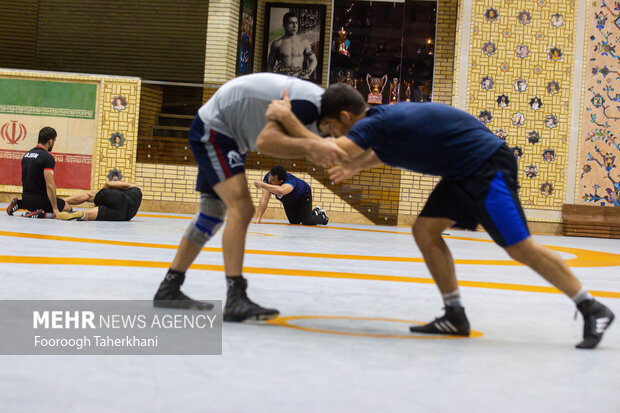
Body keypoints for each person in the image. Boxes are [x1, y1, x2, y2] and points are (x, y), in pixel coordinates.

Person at [264, 83, 614, 349]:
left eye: (330, 127)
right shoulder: (383, 122)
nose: (331, 135)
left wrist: (286, 117)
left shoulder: (375, 124)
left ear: (344, 117)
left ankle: (592, 307)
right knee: (425, 231)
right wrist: (356, 166)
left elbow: (331, 153)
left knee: (520, 247)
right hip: (462, 171)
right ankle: (454, 314)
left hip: (485, 166)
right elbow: (380, 153)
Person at [152, 73, 347, 321]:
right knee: (242, 209)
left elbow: (301, 144)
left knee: (211, 214)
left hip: (229, 134)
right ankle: (235, 297)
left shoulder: (319, 108)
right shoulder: (308, 106)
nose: (338, 138)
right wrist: (312, 147)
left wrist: (314, 146)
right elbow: (266, 143)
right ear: (342, 115)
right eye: (342, 131)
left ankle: (169, 288)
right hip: (217, 130)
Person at [6, 127, 74, 218]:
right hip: (40, 201)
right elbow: (50, 185)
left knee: (36, 201)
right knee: (68, 209)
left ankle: (20, 203)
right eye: (54, 142)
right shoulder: (48, 157)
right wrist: (55, 208)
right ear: (50, 141)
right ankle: (40, 214)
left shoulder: (27, 155)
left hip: (26, 199)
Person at [254, 165, 328, 226]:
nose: (269, 181)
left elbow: (281, 191)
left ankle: (323, 217)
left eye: (273, 180)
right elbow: (264, 199)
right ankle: (315, 212)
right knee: (294, 221)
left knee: (307, 221)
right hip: (289, 200)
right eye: (270, 177)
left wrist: (263, 185)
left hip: (303, 196)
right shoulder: (268, 179)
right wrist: (259, 217)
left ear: (281, 181)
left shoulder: (290, 181)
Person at [57, 169, 142, 221]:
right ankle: (82, 214)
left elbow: (109, 184)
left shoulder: (133, 186)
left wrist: (99, 197)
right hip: (125, 216)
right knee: (88, 214)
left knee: (90, 195)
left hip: (117, 198)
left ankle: (62, 201)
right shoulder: (137, 193)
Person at [266, 12, 318, 79]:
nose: (294, 26)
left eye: (296, 23)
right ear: (284, 25)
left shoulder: (303, 42)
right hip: (282, 80)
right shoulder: (277, 44)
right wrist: (273, 80)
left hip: (298, 80)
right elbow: (270, 65)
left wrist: (306, 74)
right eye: (291, 23)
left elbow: (314, 61)